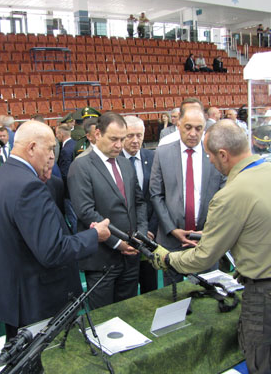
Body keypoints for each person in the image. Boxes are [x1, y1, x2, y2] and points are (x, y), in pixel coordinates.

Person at [149, 120, 271, 374]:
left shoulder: (230, 194)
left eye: (209, 155)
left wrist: (167, 259)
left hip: (270, 298)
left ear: (223, 155)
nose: (209, 161)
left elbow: (203, 258)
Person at [0, 121, 110, 338]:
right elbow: (53, 250)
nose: (52, 155)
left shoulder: (1, 177)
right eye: (50, 148)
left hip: (15, 296)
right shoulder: (28, 186)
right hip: (38, 300)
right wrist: (94, 236)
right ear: (31, 148)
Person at [68, 112, 148, 309]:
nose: (119, 145)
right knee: (103, 317)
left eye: (122, 139)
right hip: (101, 260)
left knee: (128, 311)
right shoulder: (81, 166)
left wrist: (142, 235)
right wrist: (117, 243)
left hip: (131, 255)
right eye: (114, 139)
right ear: (97, 134)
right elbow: (86, 212)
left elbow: (139, 202)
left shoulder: (123, 162)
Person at [150, 106, 224, 286]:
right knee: (173, 296)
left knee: (208, 294)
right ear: (178, 125)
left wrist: (208, 231)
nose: (193, 133)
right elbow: (156, 194)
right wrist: (172, 229)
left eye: (199, 128)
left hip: (206, 238)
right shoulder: (163, 153)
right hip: (171, 239)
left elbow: (224, 196)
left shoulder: (216, 154)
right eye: (188, 127)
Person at [122, 115, 158, 293]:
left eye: (139, 135)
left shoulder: (153, 157)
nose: (135, 141)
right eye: (130, 136)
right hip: (124, 238)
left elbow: (158, 196)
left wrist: (149, 229)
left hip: (150, 236)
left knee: (150, 285)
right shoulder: (113, 161)